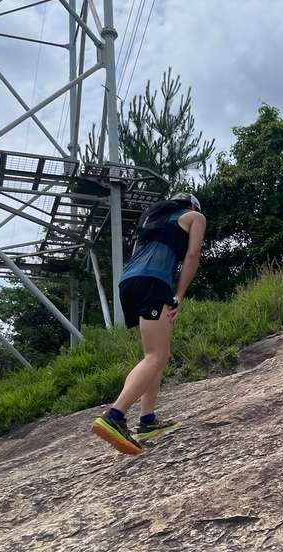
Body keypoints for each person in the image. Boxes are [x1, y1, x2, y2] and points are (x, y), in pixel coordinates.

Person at [91, 192, 206, 455]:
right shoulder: (195, 217)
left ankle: (147, 420)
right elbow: (193, 254)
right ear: (193, 205)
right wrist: (179, 295)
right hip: (154, 281)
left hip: (128, 282)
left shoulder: (152, 220)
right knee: (156, 355)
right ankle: (115, 416)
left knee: (154, 355)